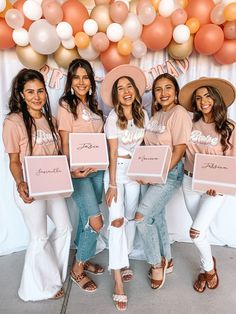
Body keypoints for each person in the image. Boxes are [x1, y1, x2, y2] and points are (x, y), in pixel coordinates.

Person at [2, 69, 72, 301]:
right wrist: (20, 182)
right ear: (21, 94)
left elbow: (58, 155)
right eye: (30, 92)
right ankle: (35, 289)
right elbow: (13, 160)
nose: (36, 96)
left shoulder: (50, 120)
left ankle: (54, 277)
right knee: (39, 237)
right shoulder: (13, 122)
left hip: (51, 185)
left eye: (40, 91)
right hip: (29, 187)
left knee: (65, 228)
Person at [134, 73, 192, 290]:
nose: (164, 93)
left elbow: (179, 149)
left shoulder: (179, 113)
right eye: (158, 89)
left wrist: (160, 173)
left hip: (169, 173)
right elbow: (147, 148)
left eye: (168, 88)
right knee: (156, 215)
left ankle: (156, 263)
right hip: (152, 171)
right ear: (154, 94)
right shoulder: (157, 114)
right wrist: (143, 171)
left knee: (141, 218)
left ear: (176, 92)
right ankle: (168, 257)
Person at [179, 77, 236, 293]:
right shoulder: (189, 125)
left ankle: (209, 270)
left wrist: (218, 183)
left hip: (215, 188)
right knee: (200, 232)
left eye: (208, 96)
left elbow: (233, 161)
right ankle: (206, 265)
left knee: (195, 232)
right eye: (199, 98)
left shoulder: (229, 128)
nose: (204, 101)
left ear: (216, 98)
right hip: (189, 181)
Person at [100, 64, 149, 311]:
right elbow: (112, 152)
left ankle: (125, 258)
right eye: (121, 88)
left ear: (135, 91)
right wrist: (111, 184)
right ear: (116, 95)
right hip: (116, 172)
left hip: (135, 174)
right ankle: (117, 277)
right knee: (116, 221)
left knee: (130, 218)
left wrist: (143, 171)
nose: (126, 91)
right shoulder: (112, 119)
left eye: (129, 86)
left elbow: (145, 148)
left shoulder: (143, 115)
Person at [57, 58, 105, 293]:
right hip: (78, 173)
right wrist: (71, 170)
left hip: (97, 171)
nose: (81, 82)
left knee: (87, 217)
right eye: (76, 77)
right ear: (70, 81)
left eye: (85, 77)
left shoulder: (95, 107)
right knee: (96, 221)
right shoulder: (66, 104)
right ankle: (77, 270)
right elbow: (65, 141)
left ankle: (84, 258)